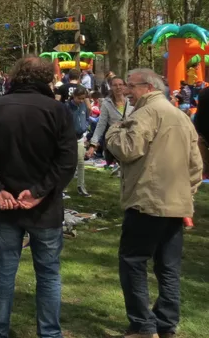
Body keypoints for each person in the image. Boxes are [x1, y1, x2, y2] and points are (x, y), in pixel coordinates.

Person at [0, 56, 77, 338]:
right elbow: (67, 161)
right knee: (46, 274)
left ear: (16, 75)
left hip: (20, 203)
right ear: (47, 78)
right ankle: (46, 333)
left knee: (7, 271)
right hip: (29, 204)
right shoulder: (56, 110)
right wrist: (0, 189)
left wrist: (27, 191)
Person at [106, 68, 203, 338]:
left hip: (147, 202)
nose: (126, 91)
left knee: (133, 263)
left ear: (148, 87)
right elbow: (196, 166)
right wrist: (186, 193)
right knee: (168, 267)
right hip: (175, 203)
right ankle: (166, 324)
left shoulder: (146, 113)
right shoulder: (181, 116)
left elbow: (127, 149)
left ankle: (142, 325)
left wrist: (114, 131)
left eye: (131, 86)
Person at [87, 76, 133, 173]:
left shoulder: (132, 101)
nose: (118, 87)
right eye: (115, 85)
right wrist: (93, 144)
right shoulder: (106, 104)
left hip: (132, 138)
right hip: (117, 140)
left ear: (125, 86)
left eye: (120, 84)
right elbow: (101, 125)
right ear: (111, 87)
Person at [65, 87, 91, 197]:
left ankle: (81, 186)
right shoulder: (66, 107)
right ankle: (62, 187)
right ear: (74, 96)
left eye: (83, 98)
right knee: (68, 163)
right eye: (79, 98)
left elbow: (86, 117)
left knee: (81, 162)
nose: (81, 100)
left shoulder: (84, 105)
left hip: (80, 137)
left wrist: (85, 128)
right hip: (68, 138)